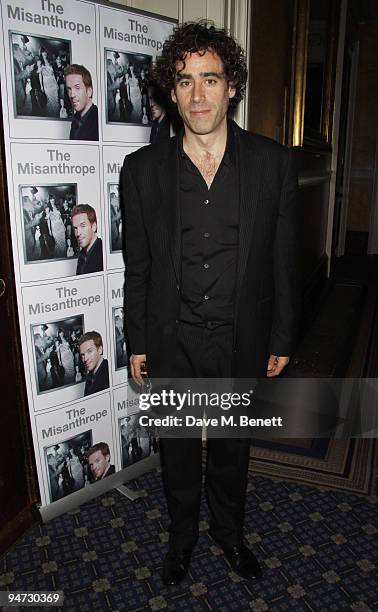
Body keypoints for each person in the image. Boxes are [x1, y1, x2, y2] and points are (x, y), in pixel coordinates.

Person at [121, 21, 300, 586]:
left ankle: (228, 533)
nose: (197, 95)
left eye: (210, 80)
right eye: (185, 82)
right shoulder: (141, 170)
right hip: (171, 336)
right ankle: (181, 540)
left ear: (231, 88)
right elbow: (140, 267)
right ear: (171, 92)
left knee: (230, 446)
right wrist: (138, 342)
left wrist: (282, 337)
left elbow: (284, 260)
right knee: (176, 450)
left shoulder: (272, 165)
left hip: (239, 335)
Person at [64, 64, 99, 140]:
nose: (72, 95)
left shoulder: (99, 121)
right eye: (69, 89)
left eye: (77, 88)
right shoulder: (76, 120)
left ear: (89, 91)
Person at [71, 204, 103, 275]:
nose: (78, 233)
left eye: (82, 226)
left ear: (94, 227)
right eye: (75, 228)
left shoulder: (104, 252)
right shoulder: (82, 255)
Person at [78, 331, 109, 396]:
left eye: (89, 351)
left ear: (100, 350)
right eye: (82, 355)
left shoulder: (109, 372)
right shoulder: (90, 376)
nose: (85, 359)